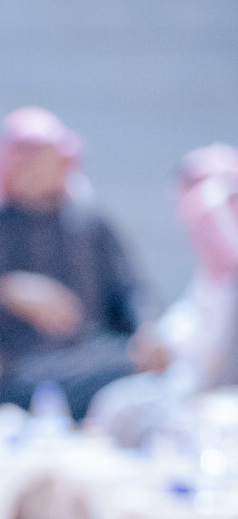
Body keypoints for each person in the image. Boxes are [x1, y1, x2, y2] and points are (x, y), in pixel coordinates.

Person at [0, 107, 142, 423]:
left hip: (94, 351)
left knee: (134, 364)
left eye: (41, 159)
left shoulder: (91, 224)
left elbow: (130, 289)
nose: (32, 168)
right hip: (24, 364)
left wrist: (147, 331)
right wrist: (10, 291)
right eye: (23, 159)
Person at [90, 143, 238, 447]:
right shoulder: (214, 276)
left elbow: (216, 363)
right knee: (116, 404)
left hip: (216, 399)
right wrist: (160, 342)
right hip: (195, 388)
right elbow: (190, 323)